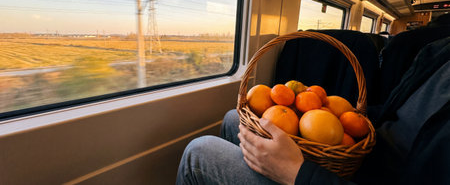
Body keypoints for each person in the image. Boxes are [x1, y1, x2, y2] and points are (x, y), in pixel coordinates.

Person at [176, 37, 450, 185]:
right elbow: (396, 115)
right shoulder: (440, 53)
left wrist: (297, 173)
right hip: (365, 156)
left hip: (348, 176)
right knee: (233, 118)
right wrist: (350, 119)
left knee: (198, 153)